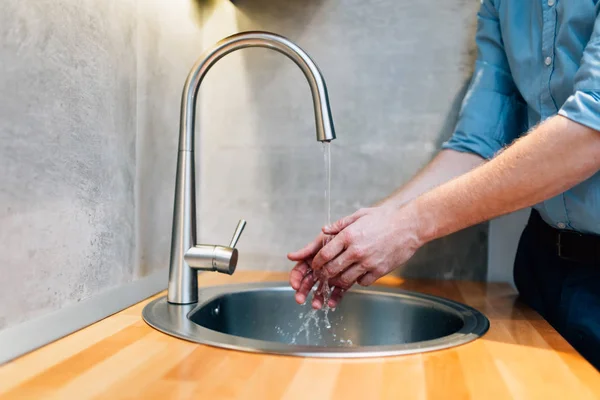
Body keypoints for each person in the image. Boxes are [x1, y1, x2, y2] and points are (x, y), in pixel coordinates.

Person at [287, 1, 600, 370]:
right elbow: (480, 141)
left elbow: (589, 134)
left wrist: (406, 227)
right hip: (543, 264)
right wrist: (375, 226)